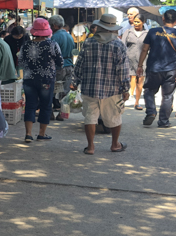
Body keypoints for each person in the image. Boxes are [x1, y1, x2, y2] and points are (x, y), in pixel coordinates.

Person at [71, 14, 131, 155]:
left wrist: (74, 82)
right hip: (112, 89)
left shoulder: (88, 43)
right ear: (112, 29)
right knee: (115, 116)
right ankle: (115, 144)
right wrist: (126, 89)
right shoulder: (118, 45)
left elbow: (79, 64)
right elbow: (123, 70)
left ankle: (91, 147)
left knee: (90, 117)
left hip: (89, 88)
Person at [136, 9, 176, 128]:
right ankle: (164, 121)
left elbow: (144, 49)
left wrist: (140, 65)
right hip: (171, 69)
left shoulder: (153, 32)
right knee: (168, 95)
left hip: (154, 68)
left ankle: (151, 112)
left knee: (149, 91)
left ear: (163, 18)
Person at [18, 18, 63, 142]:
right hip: (46, 79)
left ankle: (28, 134)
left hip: (29, 79)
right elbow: (61, 62)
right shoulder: (52, 45)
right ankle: (41, 133)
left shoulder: (26, 45)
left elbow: (20, 62)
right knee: (46, 105)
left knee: (30, 105)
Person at [121, 13, 148, 110]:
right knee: (131, 77)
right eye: (134, 21)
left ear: (143, 22)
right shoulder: (128, 32)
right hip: (129, 59)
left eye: (138, 22)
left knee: (140, 80)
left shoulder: (147, 33)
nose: (135, 23)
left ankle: (137, 102)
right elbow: (122, 46)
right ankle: (129, 96)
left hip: (143, 59)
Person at [50, 15, 76, 110]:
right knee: (65, 91)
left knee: (53, 90)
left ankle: (51, 112)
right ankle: (62, 112)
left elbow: (52, 54)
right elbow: (73, 52)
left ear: (54, 25)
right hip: (69, 65)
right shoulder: (69, 36)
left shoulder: (55, 37)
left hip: (59, 67)